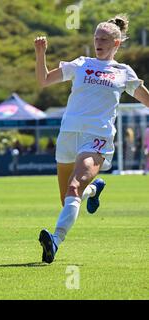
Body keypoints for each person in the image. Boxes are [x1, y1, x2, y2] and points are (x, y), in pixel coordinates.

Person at [34, 14, 149, 264]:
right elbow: (43, 81)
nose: (99, 42)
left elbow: (147, 99)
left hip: (97, 137)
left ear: (116, 44)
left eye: (105, 39)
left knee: (74, 187)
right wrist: (40, 52)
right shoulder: (81, 64)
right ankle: (95, 189)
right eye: (97, 38)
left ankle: (55, 240)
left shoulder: (123, 72)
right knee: (67, 198)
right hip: (68, 135)